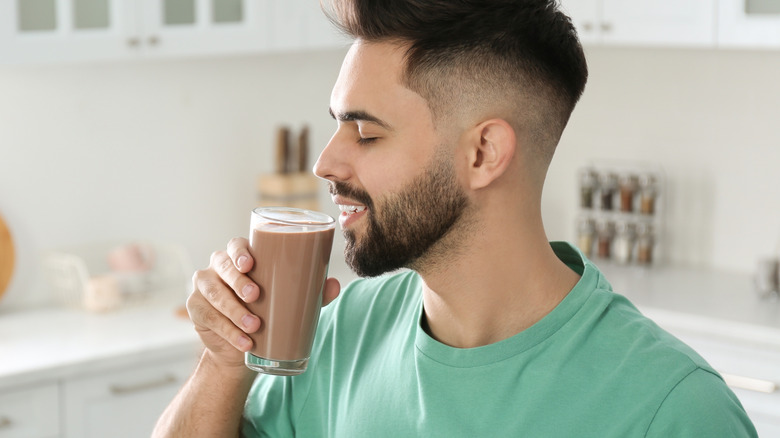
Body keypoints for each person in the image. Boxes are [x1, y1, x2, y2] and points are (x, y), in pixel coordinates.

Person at [154, 1, 757, 436]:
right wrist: (225, 360)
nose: (325, 162)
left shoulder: (674, 411)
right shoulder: (339, 334)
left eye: (365, 132)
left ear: (483, 154)